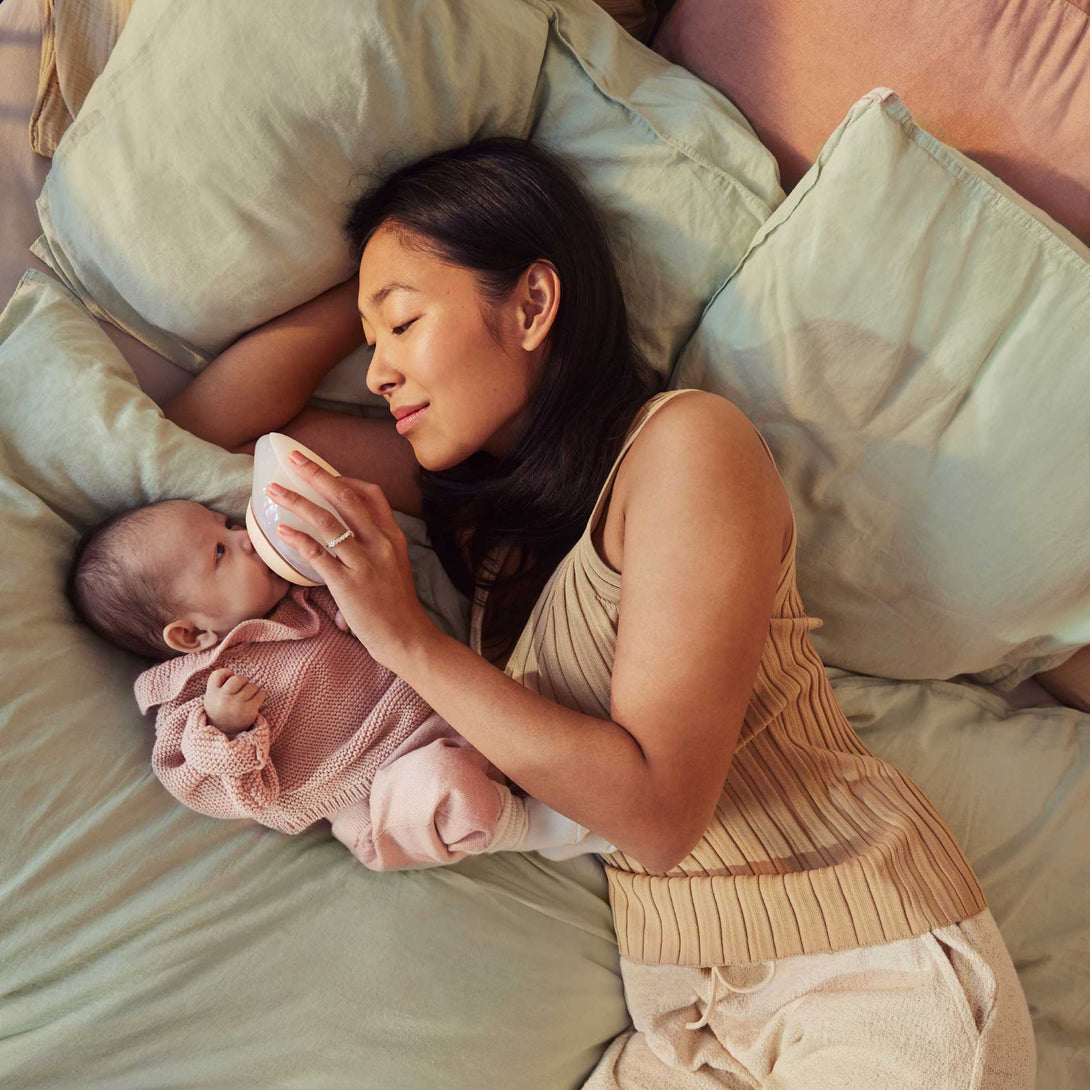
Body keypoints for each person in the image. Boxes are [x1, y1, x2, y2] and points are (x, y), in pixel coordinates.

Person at [161, 137, 1036, 1088]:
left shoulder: (688, 448)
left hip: (864, 967)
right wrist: (372, 283)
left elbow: (661, 816)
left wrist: (405, 636)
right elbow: (218, 427)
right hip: (692, 1011)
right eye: (374, 345)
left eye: (406, 325)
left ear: (533, 303)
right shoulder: (483, 521)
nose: (375, 371)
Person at [67, 497, 613, 870]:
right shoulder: (194, 699)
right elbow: (200, 784)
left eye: (228, 525)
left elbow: (377, 618)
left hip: (446, 713)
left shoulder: (307, 597)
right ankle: (534, 832)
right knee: (446, 789)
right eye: (220, 552)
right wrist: (225, 730)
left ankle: (565, 786)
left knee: (538, 692)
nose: (245, 539)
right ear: (189, 634)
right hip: (375, 790)